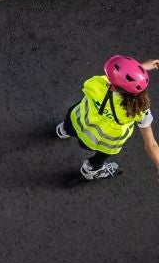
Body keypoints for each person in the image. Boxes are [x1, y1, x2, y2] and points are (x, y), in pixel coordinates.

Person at [56, 54, 159, 183]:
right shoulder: (139, 111)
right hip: (103, 143)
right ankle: (90, 170)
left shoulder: (97, 84)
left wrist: (142, 67)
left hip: (78, 121)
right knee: (102, 156)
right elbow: (151, 145)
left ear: (114, 85)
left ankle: (63, 131)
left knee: (71, 120)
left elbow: (113, 80)